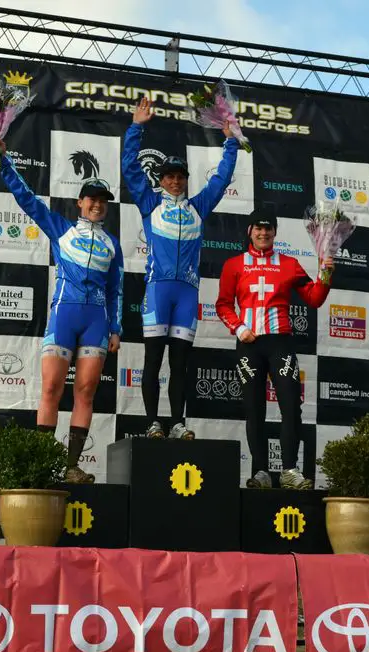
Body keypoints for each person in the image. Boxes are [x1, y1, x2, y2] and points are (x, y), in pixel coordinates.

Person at [0, 135, 123, 484]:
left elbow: (116, 288)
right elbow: (27, 199)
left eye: (102, 200)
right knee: (50, 388)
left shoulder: (113, 244)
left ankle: (71, 466)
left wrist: (116, 328)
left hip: (96, 320)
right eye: (91, 198)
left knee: (86, 391)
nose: (97, 204)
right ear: (80, 202)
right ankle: (40, 464)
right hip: (64, 313)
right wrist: (3, 161)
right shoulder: (60, 229)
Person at [122, 96, 239, 440]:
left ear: (186, 180)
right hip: (158, 290)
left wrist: (231, 141)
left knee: (180, 365)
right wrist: (135, 128)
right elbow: (130, 168)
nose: (175, 182)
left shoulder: (198, 207)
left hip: (187, 293)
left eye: (180, 177)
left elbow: (221, 179)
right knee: (153, 361)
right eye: (169, 177)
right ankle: (153, 424)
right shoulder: (150, 203)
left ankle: (177, 423)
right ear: (160, 180)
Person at [215, 207, 334, 490]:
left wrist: (326, 275)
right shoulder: (234, 264)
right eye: (258, 228)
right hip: (249, 343)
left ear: (275, 233)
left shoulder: (289, 263)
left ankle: (290, 470)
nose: (263, 233)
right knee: (254, 409)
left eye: (268, 229)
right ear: (250, 232)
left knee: (291, 406)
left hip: (279, 342)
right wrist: (239, 328)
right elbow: (222, 304)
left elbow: (314, 299)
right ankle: (260, 472)